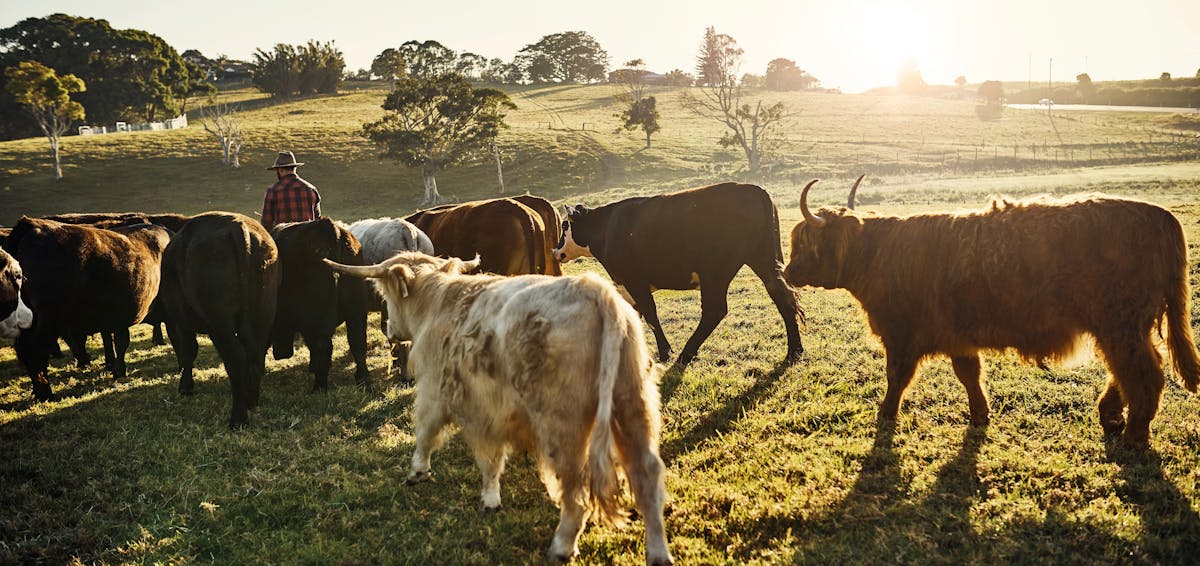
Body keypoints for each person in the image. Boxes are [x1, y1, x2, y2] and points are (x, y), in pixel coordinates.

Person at [260, 151, 321, 231]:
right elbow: (318, 219)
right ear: (294, 168)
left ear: (280, 170)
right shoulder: (311, 189)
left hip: (283, 240)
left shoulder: (273, 190)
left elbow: (266, 223)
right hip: (308, 240)